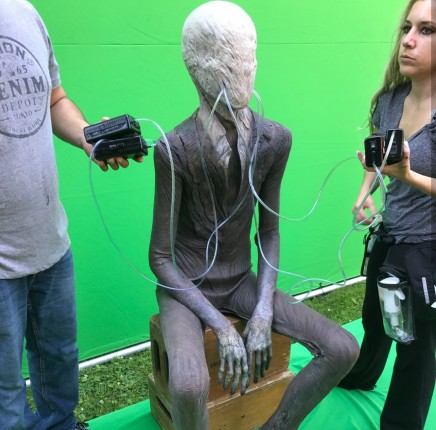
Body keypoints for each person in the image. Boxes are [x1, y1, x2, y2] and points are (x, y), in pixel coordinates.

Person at [148, 2, 359, 429]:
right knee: (188, 385)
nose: (239, 74)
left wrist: (262, 310)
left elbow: (269, 232)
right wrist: (222, 328)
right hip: (187, 288)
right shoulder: (175, 148)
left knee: (343, 348)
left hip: (242, 282)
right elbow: (160, 258)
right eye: (224, 63)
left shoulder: (274, 140)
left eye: (246, 59)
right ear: (195, 68)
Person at [0, 1, 140, 428]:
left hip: (49, 241)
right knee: (5, 394)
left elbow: (54, 99)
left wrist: (88, 137)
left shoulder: (23, 12)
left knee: (60, 360)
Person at [338, 1, 436, 429]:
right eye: (407, 28)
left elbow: (402, 170)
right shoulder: (390, 100)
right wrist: (365, 193)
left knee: (414, 344)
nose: (408, 40)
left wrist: (409, 176)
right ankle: (362, 374)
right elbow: (378, 155)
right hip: (390, 233)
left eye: (427, 30)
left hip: (426, 249)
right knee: (375, 319)